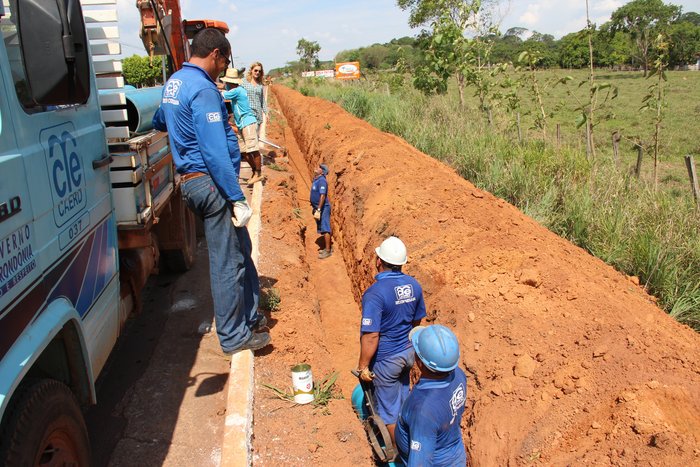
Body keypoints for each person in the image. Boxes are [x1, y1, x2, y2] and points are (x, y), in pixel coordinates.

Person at [152, 28, 270, 355]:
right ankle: (233, 336)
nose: (224, 68)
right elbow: (215, 151)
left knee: (240, 248)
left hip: (196, 181)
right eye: (224, 61)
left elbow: (160, 120)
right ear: (215, 54)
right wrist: (235, 196)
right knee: (227, 262)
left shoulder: (175, 83)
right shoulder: (202, 89)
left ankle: (249, 315)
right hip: (210, 183)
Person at [356, 236, 426, 445]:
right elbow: (416, 321)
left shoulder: (375, 293)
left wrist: (363, 366)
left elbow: (371, 335)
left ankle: (398, 453)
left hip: (387, 360)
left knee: (388, 412)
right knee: (403, 398)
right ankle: (410, 438)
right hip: (408, 354)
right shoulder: (414, 285)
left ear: (379, 261)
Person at [395, 325, 468, 466]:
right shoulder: (458, 375)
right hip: (455, 456)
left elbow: (420, 463)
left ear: (420, 364)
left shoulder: (423, 409)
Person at [220, 67, 265, 186]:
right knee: (244, 151)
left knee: (253, 149)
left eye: (227, 83)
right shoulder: (238, 90)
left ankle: (258, 173)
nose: (226, 85)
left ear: (230, 83)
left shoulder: (237, 91)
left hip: (247, 123)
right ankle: (255, 171)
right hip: (241, 124)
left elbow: (222, 95)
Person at [309, 163, 332, 259]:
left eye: (318, 167)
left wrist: (319, 209)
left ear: (322, 171)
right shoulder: (317, 179)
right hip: (318, 207)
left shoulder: (322, 181)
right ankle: (326, 247)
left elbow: (322, 196)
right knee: (322, 226)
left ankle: (327, 251)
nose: (316, 168)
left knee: (325, 227)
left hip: (324, 208)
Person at [241, 61, 267, 134]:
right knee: (251, 138)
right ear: (251, 70)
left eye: (259, 71)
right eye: (255, 70)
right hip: (248, 115)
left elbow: (262, 100)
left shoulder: (260, 85)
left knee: (256, 138)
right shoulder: (244, 82)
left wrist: (266, 112)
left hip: (258, 115)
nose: (257, 72)